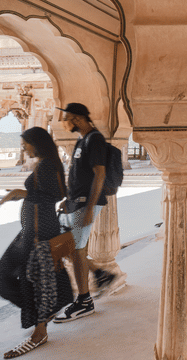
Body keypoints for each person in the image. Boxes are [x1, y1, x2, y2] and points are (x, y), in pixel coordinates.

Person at [0, 127, 72, 358]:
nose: (23, 147)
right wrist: (17, 194)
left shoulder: (47, 165)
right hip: (32, 231)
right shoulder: (48, 163)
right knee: (24, 278)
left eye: (25, 143)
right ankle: (41, 315)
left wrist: (21, 193)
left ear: (36, 143)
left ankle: (40, 328)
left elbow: (53, 196)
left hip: (38, 232)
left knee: (30, 279)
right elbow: (51, 194)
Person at [53, 102, 113, 323]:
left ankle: (84, 301)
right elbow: (80, 176)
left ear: (77, 119)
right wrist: (67, 201)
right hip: (75, 203)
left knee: (77, 251)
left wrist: (89, 207)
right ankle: (100, 274)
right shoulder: (83, 139)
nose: (64, 123)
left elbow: (100, 174)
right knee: (71, 248)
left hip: (85, 204)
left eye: (66, 119)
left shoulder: (94, 139)